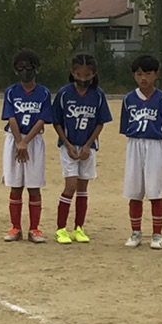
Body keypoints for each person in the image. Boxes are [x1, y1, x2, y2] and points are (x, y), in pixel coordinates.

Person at [118, 53, 162, 250]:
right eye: (138, 74)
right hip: (135, 144)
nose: (143, 78)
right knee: (135, 190)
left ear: (156, 75)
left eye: (148, 74)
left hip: (155, 145)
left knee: (155, 190)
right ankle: (135, 232)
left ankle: (157, 234)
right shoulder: (129, 99)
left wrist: (158, 145)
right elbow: (126, 126)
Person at [52, 52, 111, 245]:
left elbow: (100, 123)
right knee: (70, 186)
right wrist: (68, 144)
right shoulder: (64, 94)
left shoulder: (98, 95)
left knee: (83, 187)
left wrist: (87, 146)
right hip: (69, 146)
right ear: (72, 73)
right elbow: (57, 122)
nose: (83, 79)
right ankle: (61, 229)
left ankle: (79, 228)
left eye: (87, 76)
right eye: (79, 75)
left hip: (88, 147)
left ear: (93, 75)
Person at [0, 50, 53, 244]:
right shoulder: (11, 92)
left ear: (37, 69)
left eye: (29, 67)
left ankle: (34, 229)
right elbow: (11, 117)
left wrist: (26, 142)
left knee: (34, 185)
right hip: (14, 139)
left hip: (33, 140)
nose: (25, 71)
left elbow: (42, 120)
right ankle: (15, 227)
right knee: (15, 185)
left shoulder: (44, 93)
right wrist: (18, 142)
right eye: (20, 68)